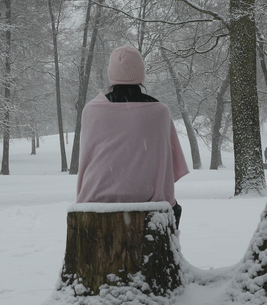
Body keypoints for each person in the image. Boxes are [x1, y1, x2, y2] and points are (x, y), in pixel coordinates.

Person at [76, 45, 189, 228]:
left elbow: (88, 160)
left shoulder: (92, 111)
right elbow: (170, 166)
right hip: (150, 208)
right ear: (140, 74)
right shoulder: (159, 112)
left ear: (111, 74)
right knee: (174, 208)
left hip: (95, 203)